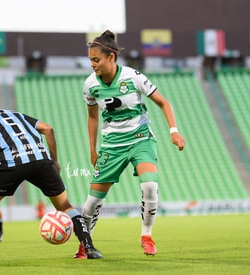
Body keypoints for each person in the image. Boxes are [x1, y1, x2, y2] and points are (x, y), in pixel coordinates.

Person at [0, 101, 103, 265]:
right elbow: (48, 129)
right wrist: (54, 161)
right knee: (65, 206)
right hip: (42, 161)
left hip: (12, 164)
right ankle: (89, 248)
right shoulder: (16, 114)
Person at [74, 30, 185, 258]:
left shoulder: (133, 77)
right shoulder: (89, 85)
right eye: (90, 60)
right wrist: (92, 149)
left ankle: (146, 236)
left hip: (140, 139)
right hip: (112, 146)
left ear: (111, 57)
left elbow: (163, 103)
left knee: (149, 186)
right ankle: (85, 244)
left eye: (96, 59)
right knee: (92, 202)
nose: (93, 64)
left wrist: (174, 132)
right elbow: (93, 117)